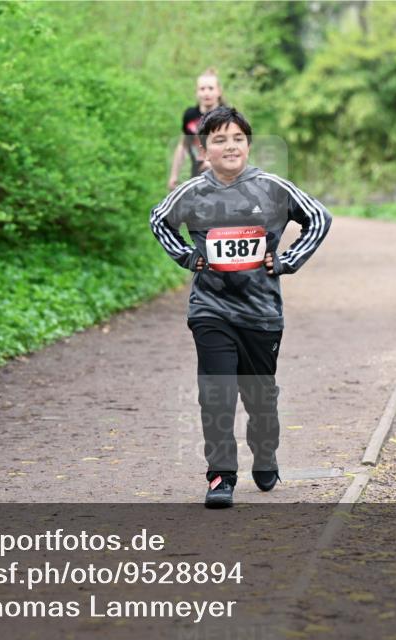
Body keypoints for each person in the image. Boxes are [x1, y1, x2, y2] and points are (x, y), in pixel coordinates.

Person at [150, 107, 332, 508]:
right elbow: (159, 220)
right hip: (210, 309)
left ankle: (265, 451)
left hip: (261, 313)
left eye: (237, 139)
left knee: (260, 398)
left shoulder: (272, 188)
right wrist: (186, 256)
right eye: (219, 140)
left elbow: (319, 218)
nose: (229, 146)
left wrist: (287, 260)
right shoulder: (192, 192)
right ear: (203, 150)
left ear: (248, 145)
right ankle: (221, 476)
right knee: (215, 393)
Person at [167, 68, 224, 191]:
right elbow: (183, 146)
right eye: (202, 89)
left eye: (211, 88)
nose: (206, 93)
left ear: (219, 91)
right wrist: (174, 175)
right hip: (198, 175)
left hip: (223, 177)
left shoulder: (228, 116)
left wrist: (214, 163)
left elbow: (236, 148)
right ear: (196, 92)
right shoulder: (190, 115)